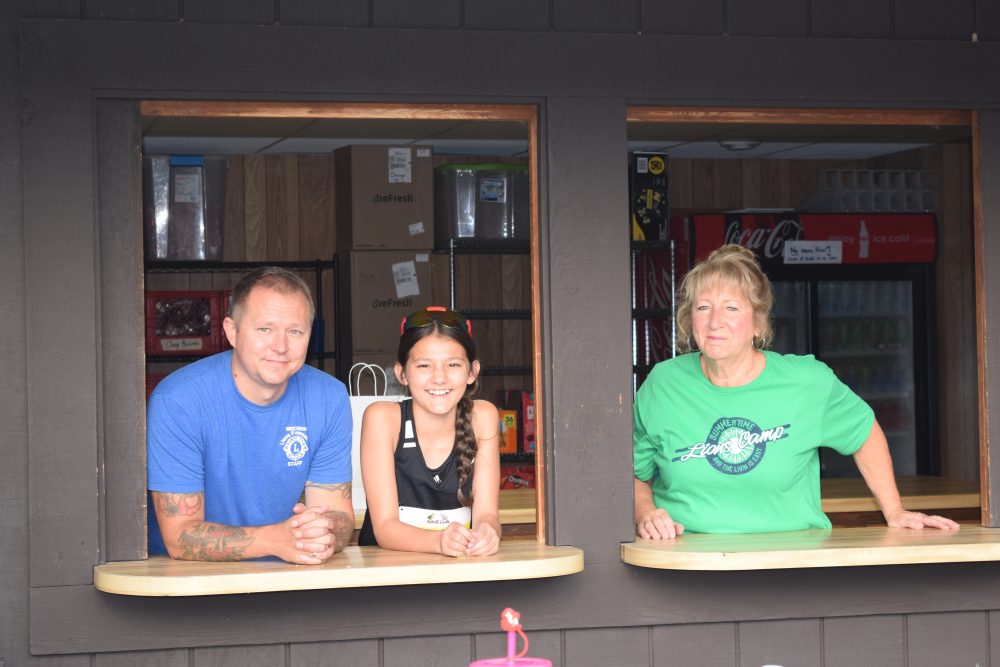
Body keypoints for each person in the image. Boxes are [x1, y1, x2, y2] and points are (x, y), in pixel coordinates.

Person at [633, 244, 960, 539]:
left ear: (758, 323)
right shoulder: (663, 384)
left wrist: (895, 511)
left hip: (789, 563)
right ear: (691, 319)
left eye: (731, 308)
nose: (715, 321)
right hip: (688, 565)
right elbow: (631, 473)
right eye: (703, 307)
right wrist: (646, 514)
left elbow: (864, 432)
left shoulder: (807, 381)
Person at [147, 267, 354, 563]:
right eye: (265, 329)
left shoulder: (328, 398)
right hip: (186, 582)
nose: (281, 346)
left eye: (295, 331)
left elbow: (337, 513)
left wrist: (324, 531)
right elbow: (180, 537)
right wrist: (276, 539)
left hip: (284, 574)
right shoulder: (178, 400)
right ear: (232, 331)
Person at [358, 306, 502, 556]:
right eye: (424, 365)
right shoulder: (383, 419)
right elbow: (384, 528)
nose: (439, 378)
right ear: (401, 373)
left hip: (457, 570)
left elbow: (487, 513)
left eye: (453, 365)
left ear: (472, 372)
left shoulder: (482, 417)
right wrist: (438, 542)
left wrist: (488, 532)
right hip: (384, 575)